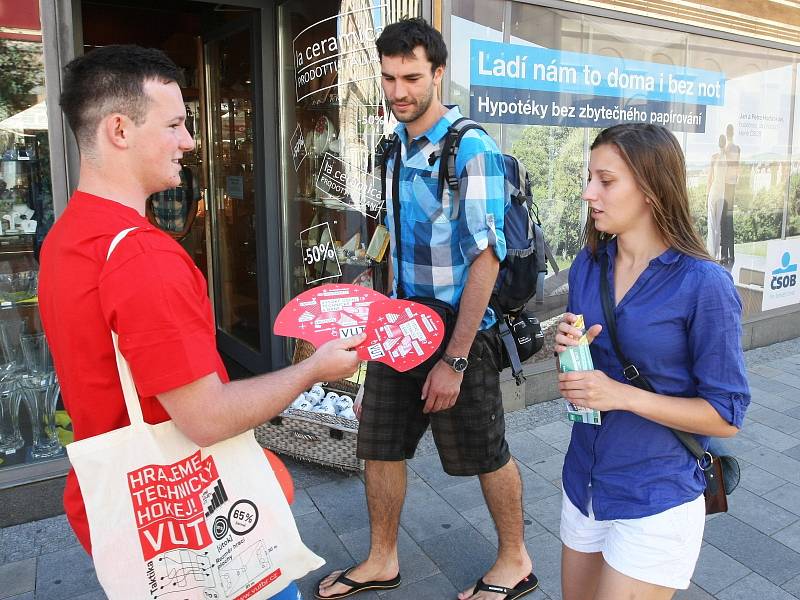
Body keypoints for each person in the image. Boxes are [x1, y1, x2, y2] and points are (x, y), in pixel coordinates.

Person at [38, 45, 364, 600]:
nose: (189, 142)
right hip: (201, 525)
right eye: (175, 124)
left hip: (129, 511)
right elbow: (206, 419)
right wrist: (313, 372)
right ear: (119, 129)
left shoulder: (67, 237)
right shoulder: (144, 257)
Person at [316, 18, 537, 600]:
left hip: (461, 333)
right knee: (378, 444)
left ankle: (515, 560)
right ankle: (381, 559)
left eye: (411, 77)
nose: (397, 91)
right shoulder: (393, 149)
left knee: (485, 453)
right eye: (388, 78)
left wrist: (455, 361)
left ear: (438, 74)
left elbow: (486, 262)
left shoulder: (472, 150)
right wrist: (371, 339)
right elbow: (387, 245)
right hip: (397, 327)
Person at [554, 123, 750, 600]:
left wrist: (619, 394)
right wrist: (568, 346)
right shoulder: (589, 264)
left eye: (605, 180)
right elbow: (591, 364)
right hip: (584, 481)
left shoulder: (704, 285)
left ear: (650, 188)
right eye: (589, 178)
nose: (588, 193)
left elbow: (726, 416)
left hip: (656, 494)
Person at [720, 123, 741, 266]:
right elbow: (737, 167)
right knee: (730, 219)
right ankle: (731, 255)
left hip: (726, 185)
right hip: (733, 185)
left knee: (724, 221)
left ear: (727, 133)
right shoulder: (738, 148)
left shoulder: (726, 149)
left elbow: (724, 168)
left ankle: (724, 255)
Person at [706, 134, 727, 259]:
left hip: (714, 192)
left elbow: (710, 178)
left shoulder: (715, 157)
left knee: (711, 223)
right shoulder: (727, 159)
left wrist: (706, 195)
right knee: (717, 223)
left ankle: (711, 253)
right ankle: (716, 254)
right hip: (722, 192)